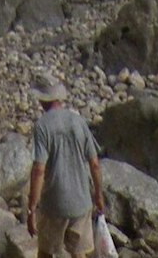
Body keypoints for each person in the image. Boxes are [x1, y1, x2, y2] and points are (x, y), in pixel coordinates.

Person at [25, 73, 106, 257]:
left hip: (54, 205)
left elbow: (39, 170)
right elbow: (94, 164)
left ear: (41, 100)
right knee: (80, 253)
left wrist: (31, 209)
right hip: (81, 203)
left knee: (46, 253)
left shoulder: (42, 126)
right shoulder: (78, 121)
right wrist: (98, 195)